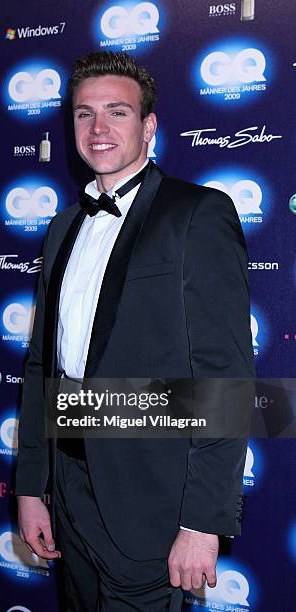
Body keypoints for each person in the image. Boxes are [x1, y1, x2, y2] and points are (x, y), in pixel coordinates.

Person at [15, 51, 255, 611]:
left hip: (153, 505)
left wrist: (202, 521)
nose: (98, 129)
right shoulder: (61, 229)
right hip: (69, 494)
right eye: (83, 114)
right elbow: (39, 367)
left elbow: (224, 376)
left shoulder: (197, 214)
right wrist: (32, 485)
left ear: (149, 126)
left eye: (117, 112)